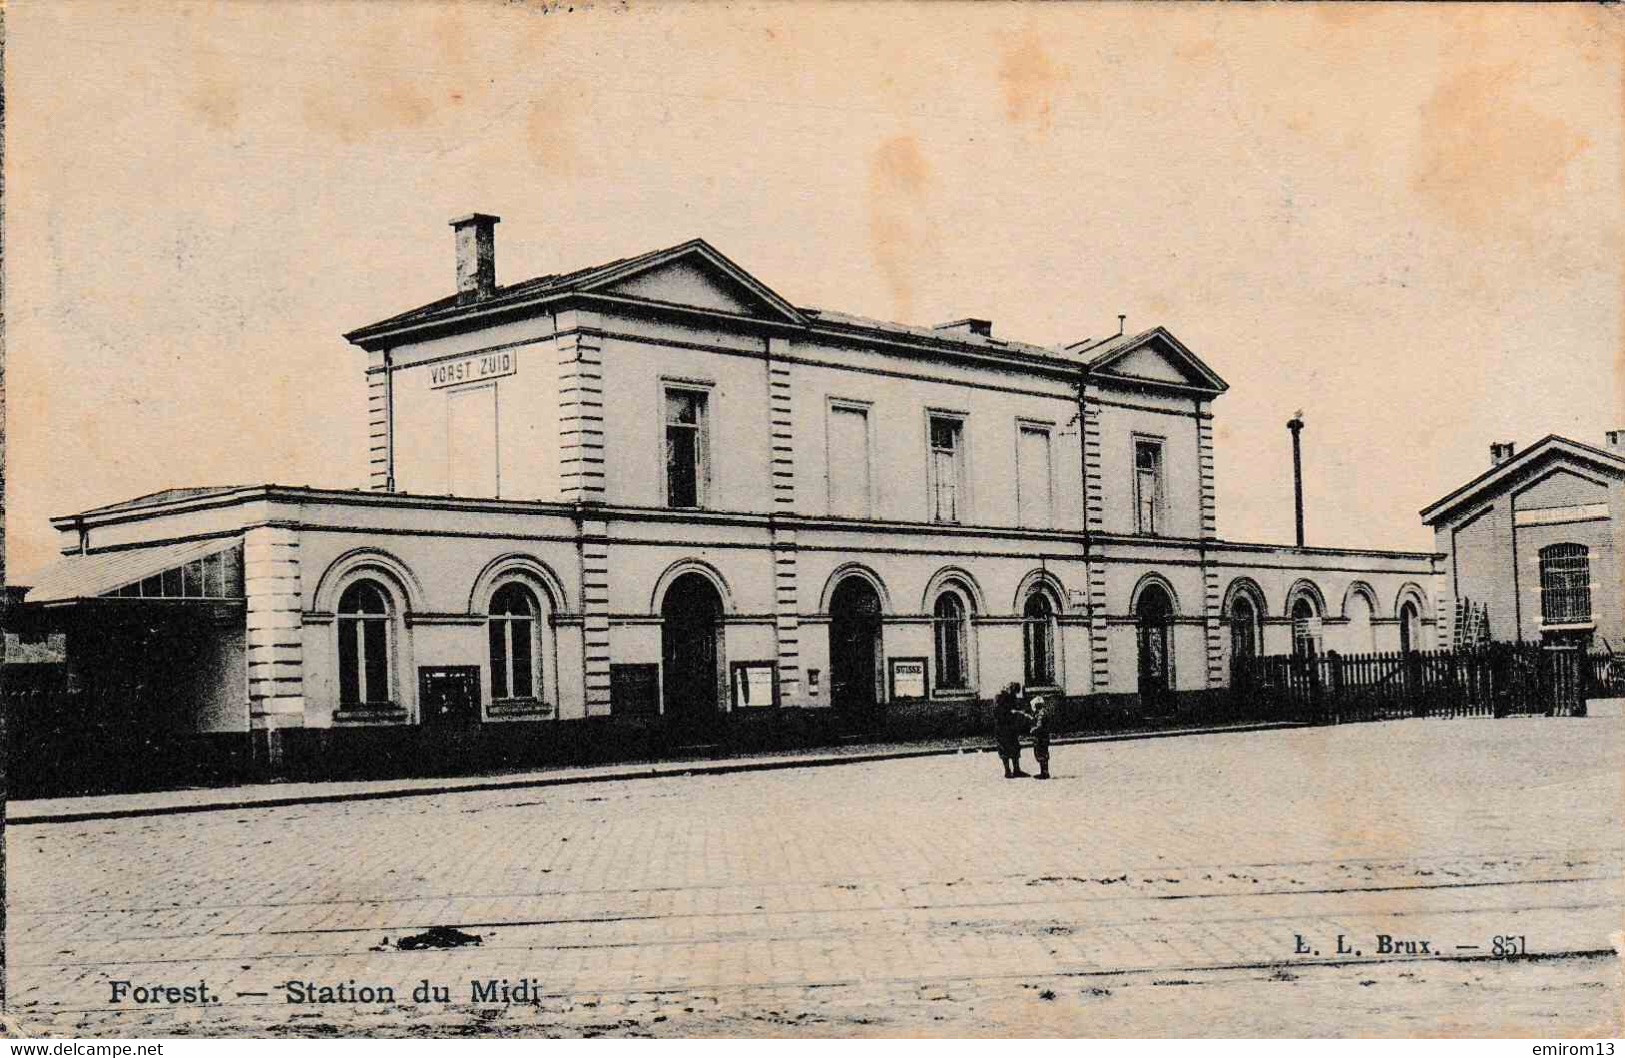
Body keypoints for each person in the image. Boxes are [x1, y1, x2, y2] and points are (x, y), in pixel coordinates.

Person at [992, 682, 1030, 778]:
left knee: (1015, 748)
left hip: (1011, 728)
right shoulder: (999, 698)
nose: (1015, 695)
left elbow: (1015, 708)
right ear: (1009, 689)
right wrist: (1011, 712)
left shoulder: (1012, 698)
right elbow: (998, 712)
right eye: (1014, 692)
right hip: (1001, 728)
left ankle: (1017, 770)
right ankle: (1007, 771)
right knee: (1004, 749)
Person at [1028, 696, 1052, 779]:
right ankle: (1044, 772)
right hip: (1044, 737)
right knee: (1043, 754)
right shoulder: (1043, 712)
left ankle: (1044, 773)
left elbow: (1039, 726)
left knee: (1041, 754)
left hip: (1040, 737)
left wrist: (1032, 730)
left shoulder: (1040, 714)